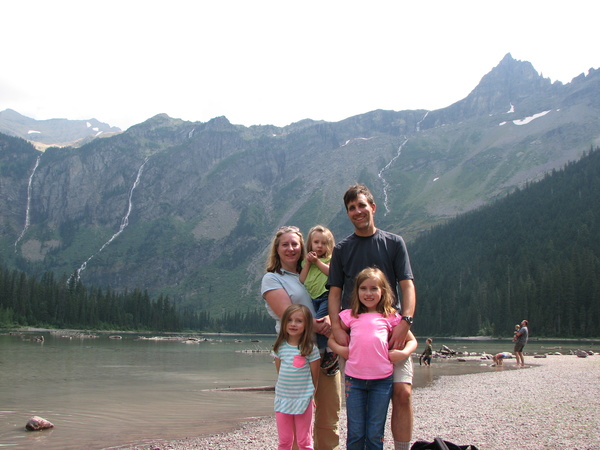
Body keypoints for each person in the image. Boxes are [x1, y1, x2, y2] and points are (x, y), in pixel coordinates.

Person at [328, 183, 416, 450]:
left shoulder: (393, 243)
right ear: (348, 213)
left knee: (402, 393)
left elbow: (407, 285)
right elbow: (334, 293)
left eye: (362, 205)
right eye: (352, 208)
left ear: (373, 207)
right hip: (355, 334)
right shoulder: (342, 249)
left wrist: (405, 322)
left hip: (392, 329)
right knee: (358, 403)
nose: (357, 211)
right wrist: (337, 328)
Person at [262, 226, 342, 449]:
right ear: (276, 250)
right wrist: (323, 324)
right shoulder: (272, 279)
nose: (290, 249)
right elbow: (289, 315)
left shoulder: (312, 270)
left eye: (295, 244)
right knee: (296, 421)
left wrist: (332, 321)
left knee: (328, 417)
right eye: (285, 244)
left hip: (326, 354)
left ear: (303, 247)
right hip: (294, 356)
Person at [328, 267, 417, 450]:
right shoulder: (350, 315)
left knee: (375, 432)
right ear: (357, 291)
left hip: (382, 382)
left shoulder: (390, 316)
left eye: (374, 288)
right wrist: (341, 350)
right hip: (355, 381)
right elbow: (331, 339)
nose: (368, 293)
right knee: (355, 432)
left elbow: (412, 341)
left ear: (383, 291)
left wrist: (403, 353)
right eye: (363, 288)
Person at [272, 304, 321, 450]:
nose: (293, 324)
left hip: (303, 400)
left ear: (306, 325)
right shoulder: (279, 348)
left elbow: (314, 377)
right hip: (282, 400)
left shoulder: (310, 349)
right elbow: (280, 372)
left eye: (299, 321)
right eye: (290, 320)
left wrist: (311, 396)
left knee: (304, 441)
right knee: (284, 441)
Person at [300, 225, 339, 375]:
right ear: (310, 244)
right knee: (319, 324)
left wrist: (317, 262)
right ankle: (326, 352)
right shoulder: (305, 262)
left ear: (329, 245)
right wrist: (309, 263)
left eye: (324, 243)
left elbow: (331, 273)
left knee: (320, 322)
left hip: (325, 295)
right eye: (316, 242)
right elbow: (302, 279)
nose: (320, 246)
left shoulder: (331, 259)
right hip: (313, 297)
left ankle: (330, 350)